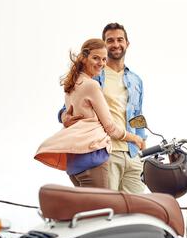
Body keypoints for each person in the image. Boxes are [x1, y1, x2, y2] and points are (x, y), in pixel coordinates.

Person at [35, 38, 145, 188]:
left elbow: (69, 114)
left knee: (87, 209)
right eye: (96, 58)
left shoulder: (72, 84)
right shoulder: (92, 85)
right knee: (102, 209)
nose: (101, 63)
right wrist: (135, 138)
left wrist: (64, 116)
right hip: (93, 157)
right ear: (84, 58)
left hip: (74, 163)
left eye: (104, 59)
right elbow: (110, 127)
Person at [58, 23, 147, 194]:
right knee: (109, 211)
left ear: (127, 43)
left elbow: (138, 115)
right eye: (110, 40)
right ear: (104, 45)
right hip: (106, 153)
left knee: (136, 210)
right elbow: (67, 108)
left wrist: (142, 143)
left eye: (120, 39)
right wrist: (64, 117)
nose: (115, 44)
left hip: (133, 154)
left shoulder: (136, 80)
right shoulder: (95, 74)